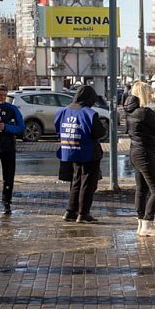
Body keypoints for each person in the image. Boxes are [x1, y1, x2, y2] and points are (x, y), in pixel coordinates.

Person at [55, 85, 107, 223]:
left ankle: (70, 211)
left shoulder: (64, 111)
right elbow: (99, 133)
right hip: (88, 152)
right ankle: (83, 213)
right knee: (88, 183)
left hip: (70, 150)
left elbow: (57, 128)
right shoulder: (89, 113)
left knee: (76, 180)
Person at [124, 81, 155, 236]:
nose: (152, 95)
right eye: (150, 92)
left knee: (142, 189)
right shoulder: (145, 112)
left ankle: (141, 225)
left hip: (135, 151)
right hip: (145, 153)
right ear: (143, 94)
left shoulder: (129, 111)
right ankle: (148, 224)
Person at [0, 84, 26, 215]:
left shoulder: (12, 109)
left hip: (8, 148)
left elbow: (21, 127)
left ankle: (7, 202)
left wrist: (6, 127)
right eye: (0, 95)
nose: (3, 98)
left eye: (5, 95)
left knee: (8, 177)